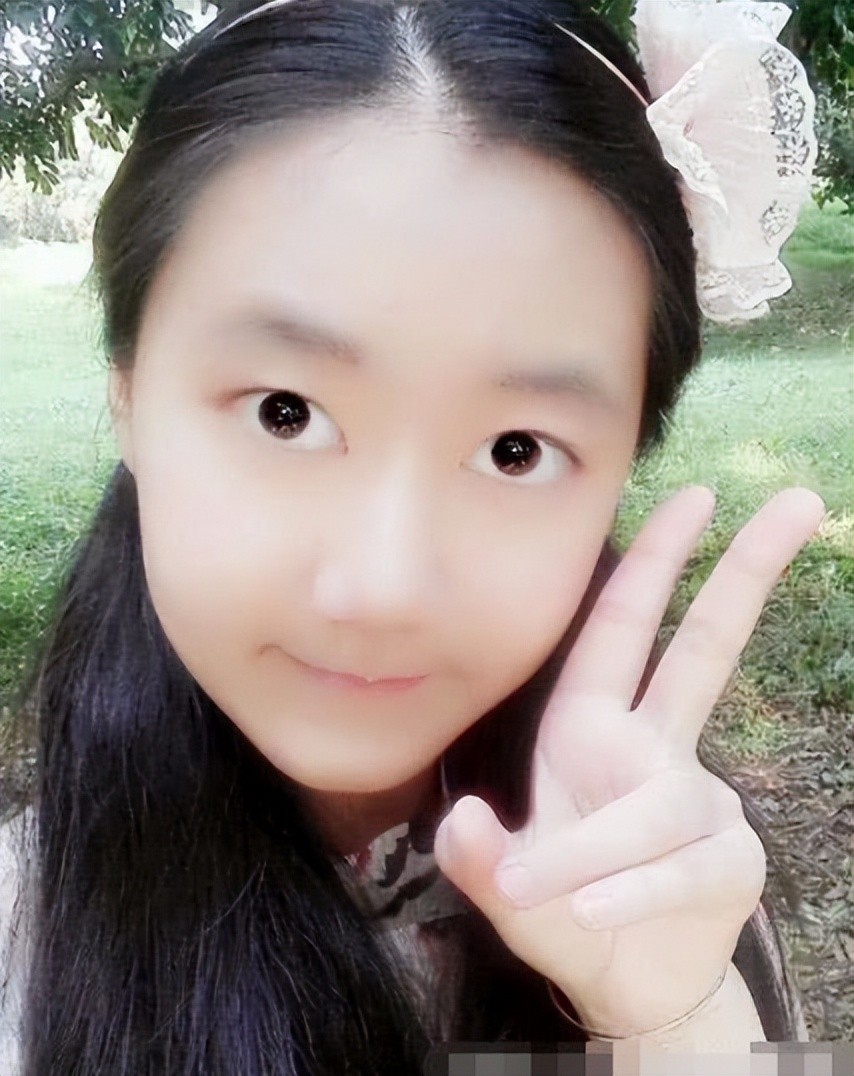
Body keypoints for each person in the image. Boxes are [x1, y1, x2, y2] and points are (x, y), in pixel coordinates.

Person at [0, 0, 823, 1072]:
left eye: (516, 450)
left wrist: (669, 1022)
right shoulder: (22, 946)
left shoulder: (664, 876)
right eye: (285, 412)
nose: (383, 585)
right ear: (128, 393)